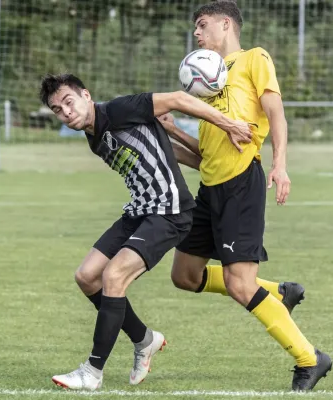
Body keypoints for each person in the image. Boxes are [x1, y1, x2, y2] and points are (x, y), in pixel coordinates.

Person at [40, 73, 252, 390]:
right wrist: (173, 132)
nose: (66, 112)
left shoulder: (121, 109)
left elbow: (179, 100)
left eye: (68, 102)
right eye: (57, 109)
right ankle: (144, 339)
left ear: (85, 95)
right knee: (87, 276)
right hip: (140, 210)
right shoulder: (94, 136)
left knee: (113, 277)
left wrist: (229, 125)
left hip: (169, 211)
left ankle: (92, 372)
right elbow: (175, 154)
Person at [161, 0, 332, 391]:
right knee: (184, 276)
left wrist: (280, 163)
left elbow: (276, 114)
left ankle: (310, 358)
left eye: (202, 25)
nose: (197, 33)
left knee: (240, 285)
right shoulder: (209, 83)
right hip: (210, 189)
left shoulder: (254, 58)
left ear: (226, 24)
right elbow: (205, 154)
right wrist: (171, 132)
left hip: (242, 184)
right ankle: (278, 293)